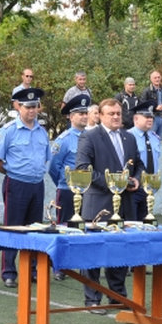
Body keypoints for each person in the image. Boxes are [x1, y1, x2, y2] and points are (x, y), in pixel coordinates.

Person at [75, 98, 144, 314]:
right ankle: (92, 300)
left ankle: (117, 296)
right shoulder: (89, 136)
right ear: (100, 116)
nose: (115, 117)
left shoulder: (129, 137)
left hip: (124, 206)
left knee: (120, 252)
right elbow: (83, 168)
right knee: (93, 255)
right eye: (111, 113)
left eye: (118, 113)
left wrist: (136, 179)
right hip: (98, 205)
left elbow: (139, 164)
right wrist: (115, 184)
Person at [0, 88, 51, 288]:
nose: (32, 110)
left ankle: (33, 270)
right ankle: (8, 272)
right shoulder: (9, 130)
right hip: (16, 184)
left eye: (35, 106)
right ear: (18, 107)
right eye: (28, 107)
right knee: (12, 228)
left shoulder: (42, 132)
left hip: (37, 184)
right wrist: (12, 173)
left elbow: (46, 158)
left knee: (34, 229)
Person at [48, 94, 90, 280]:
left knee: (85, 227)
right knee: (64, 228)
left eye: (85, 113)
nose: (84, 116)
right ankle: (60, 267)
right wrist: (65, 184)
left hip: (87, 191)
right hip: (67, 191)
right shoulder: (64, 139)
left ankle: (82, 265)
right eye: (80, 113)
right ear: (71, 117)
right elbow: (53, 167)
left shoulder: (91, 136)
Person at [127, 101, 160, 221]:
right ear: (136, 119)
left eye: (151, 117)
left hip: (149, 188)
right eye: (146, 117)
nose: (150, 119)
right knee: (132, 222)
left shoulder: (154, 137)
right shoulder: (128, 136)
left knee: (146, 223)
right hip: (133, 187)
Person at [139, 71, 162, 140]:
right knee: (151, 139)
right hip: (152, 119)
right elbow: (142, 106)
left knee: (160, 141)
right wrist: (155, 108)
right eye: (155, 78)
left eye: (158, 77)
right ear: (151, 79)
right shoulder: (146, 91)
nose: (157, 79)